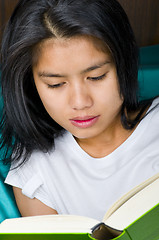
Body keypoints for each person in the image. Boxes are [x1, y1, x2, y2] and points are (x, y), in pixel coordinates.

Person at [0, 0, 159, 221]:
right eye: (56, 84)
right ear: (31, 84)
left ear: (124, 63)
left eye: (97, 77)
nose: (80, 102)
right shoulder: (35, 175)